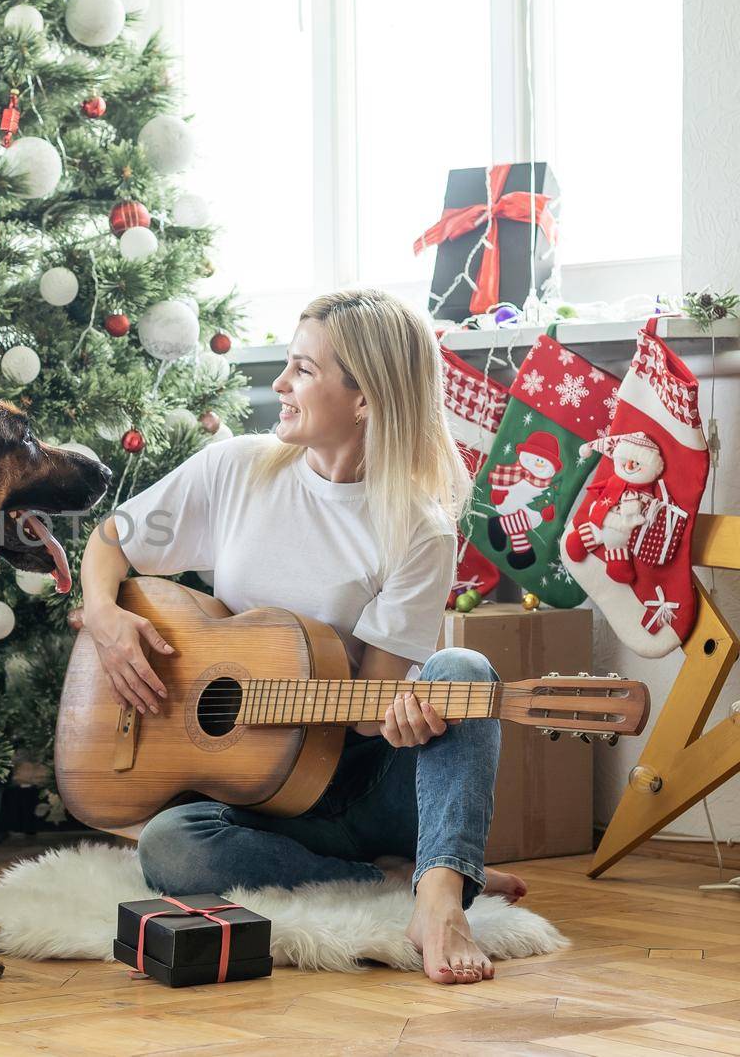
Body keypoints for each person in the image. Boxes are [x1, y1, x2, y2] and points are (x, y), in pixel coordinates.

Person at [78, 288, 526, 987]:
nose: (279, 385)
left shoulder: (417, 526)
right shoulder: (238, 469)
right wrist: (105, 618)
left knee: (463, 667)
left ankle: (440, 900)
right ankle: (399, 871)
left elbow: (375, 703)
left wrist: (403, 711)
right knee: (173, 847)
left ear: (367, 399)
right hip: (262, 793)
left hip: (362, 775)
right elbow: (112, 540)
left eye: (302, 370)